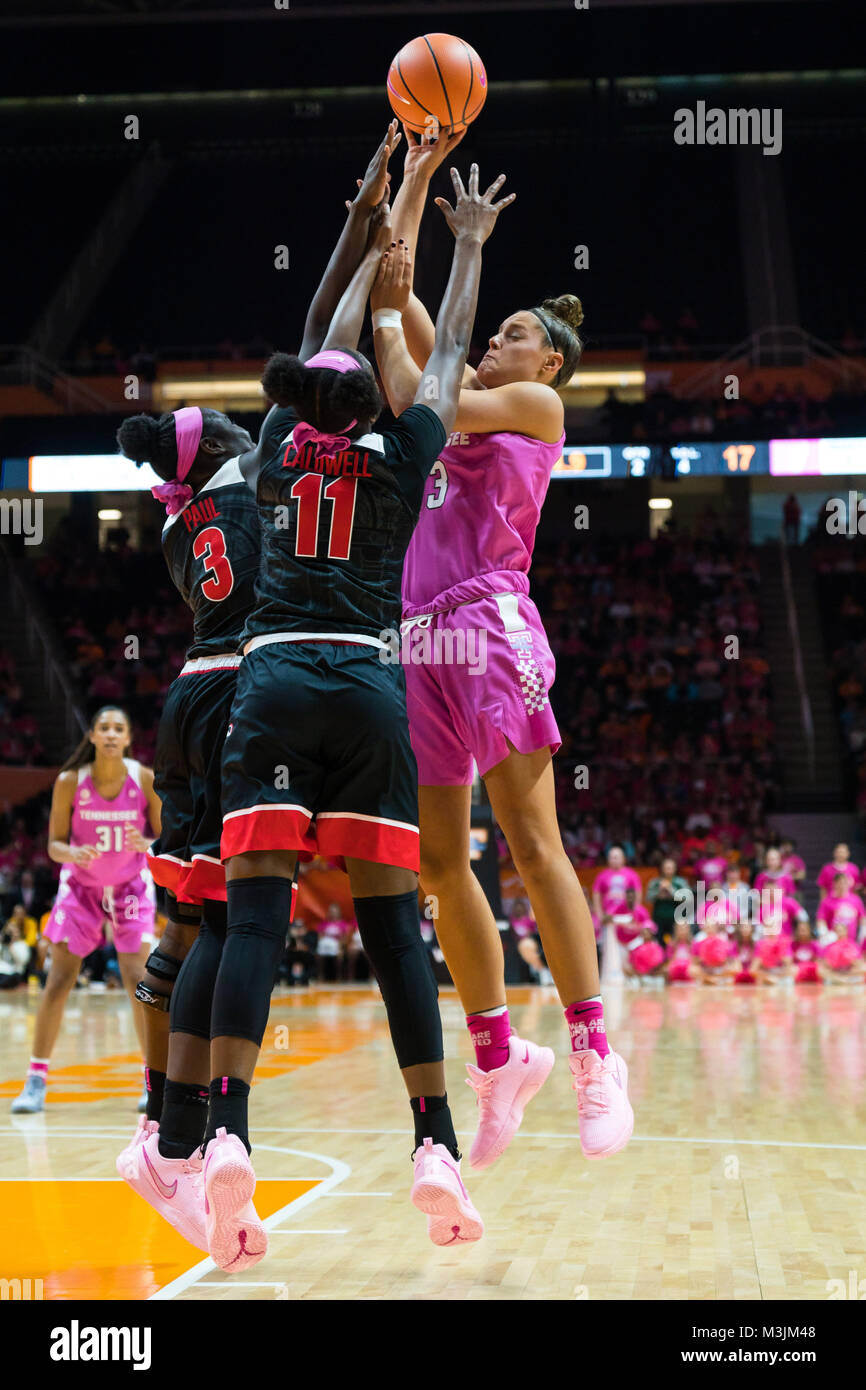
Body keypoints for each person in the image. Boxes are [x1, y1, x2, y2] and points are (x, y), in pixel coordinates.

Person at [156, 156, 509, 1270]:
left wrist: (367, 209)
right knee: (391, 925)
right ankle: (433, 1145)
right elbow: (443, 353)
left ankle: (225, 1129)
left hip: (266, 681)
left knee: (252, 924)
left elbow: (326, 311)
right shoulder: (405, 453)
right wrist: (465, 251)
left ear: (298, 402)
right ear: (372, 403)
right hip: (365, 681)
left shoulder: (264, 450)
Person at [113, 125, 404, 1255]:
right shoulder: (260, 460)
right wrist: (366, 223)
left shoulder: (186, 517)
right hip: (256, 689)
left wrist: (359, 220)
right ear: (224, 440)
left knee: (191, 931)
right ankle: (177, 1132)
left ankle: (167, 1132)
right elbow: (319, 327)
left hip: (191, 696)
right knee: (237, 927)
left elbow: (314, 329)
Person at [375, 125, 633, 1171]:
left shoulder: (533, 404)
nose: (495, 341)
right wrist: (417, 183)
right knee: (441, 862)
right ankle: (498, 1059)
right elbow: (396, 308)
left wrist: (442, 274)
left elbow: (421, 386)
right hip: (418, 640)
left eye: (514, 331)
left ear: (551, 360)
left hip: (489, 623)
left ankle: (592, 1055)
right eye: (496, 331)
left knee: (531, 840)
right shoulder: (468, 387)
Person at [11, 707, 160, 1113]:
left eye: (119, 729)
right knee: (58, 979)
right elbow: (54, 845)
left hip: (131, 886)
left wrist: (143, 841)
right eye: (103, 728)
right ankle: (36, 1080)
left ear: (128, 739)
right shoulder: (69, 782)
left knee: (137, 980)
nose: (111, 734)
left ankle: (153, 1081)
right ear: (92, 737)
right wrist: (73, 852)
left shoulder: (142, 778)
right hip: (81, 888)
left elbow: (162, 836)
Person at [645, 855, 688, 943]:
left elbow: (687, 898)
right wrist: (658, 893)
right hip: (658, 918)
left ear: (675, 869)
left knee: (674, 943)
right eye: (666, 868)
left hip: (675, 919)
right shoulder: (655, 882)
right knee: (659, 942)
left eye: (670, 868)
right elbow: (648, 898)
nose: (668, 870)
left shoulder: (680, 882)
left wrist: (671, 890)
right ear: (662, 869)